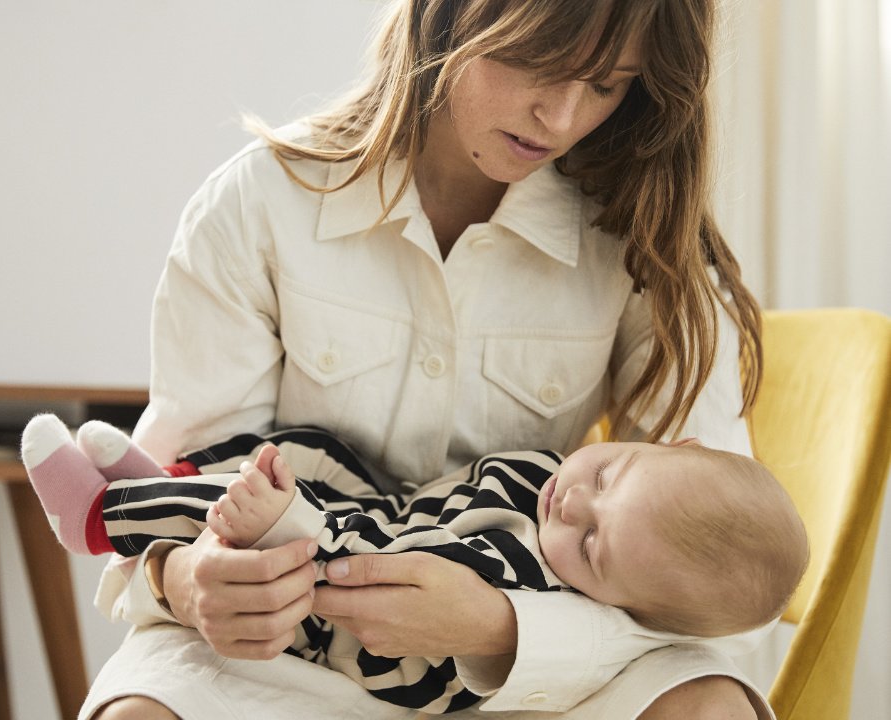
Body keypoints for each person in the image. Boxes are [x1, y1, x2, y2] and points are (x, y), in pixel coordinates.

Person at [76, 0, 775, 718]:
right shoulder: (257, 205)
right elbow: (176, 489)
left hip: (539, 661)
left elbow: (723, 588)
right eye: (536, 62)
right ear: (444, 19)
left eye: (606, 85)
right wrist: (181, 576)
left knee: (712, 706)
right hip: (284, 658)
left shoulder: (647, 238)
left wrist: (504, 629)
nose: (561, 118)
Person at [22, 415, 807, 714]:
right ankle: (166, 481)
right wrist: (175, 579)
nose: (572, 507)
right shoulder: (550, 478)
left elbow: (359, 572)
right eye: (605, 479)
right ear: (678, 444)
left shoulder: (526, 562)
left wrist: (285, 522)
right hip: (364, 512)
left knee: (265, 510)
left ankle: (99, 517)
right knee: (303, 450)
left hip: (348, 614)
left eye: (594, 546)